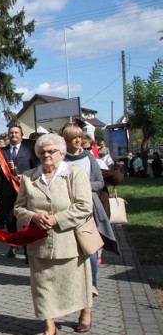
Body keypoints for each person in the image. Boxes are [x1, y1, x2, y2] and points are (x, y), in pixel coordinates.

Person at [14, 133, 94, 335]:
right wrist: (33, 217)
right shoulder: (29, 177)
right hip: (38, 244)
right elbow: (18, 208)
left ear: (61, 153)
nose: (46, 155)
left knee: (76, 282)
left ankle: (85, 312)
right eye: (41, 152)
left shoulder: (74, 174)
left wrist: (57, 218)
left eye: (51, 151)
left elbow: (84, 206)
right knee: (42, 287)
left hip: (69, 241)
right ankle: (49, 326)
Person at [61, 123, 119, 297]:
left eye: (80, 136)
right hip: (67, 208)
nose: (78, 140)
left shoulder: (88, 158)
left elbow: (100, 182)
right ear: (66, 140)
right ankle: (72, 282)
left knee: (90, 247)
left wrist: (83, 185)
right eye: (74, 137)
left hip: (89, 207)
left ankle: (92, 283)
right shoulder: (61, 160)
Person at [0, 125, 39, 258]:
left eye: (16, 132)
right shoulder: (2, 151)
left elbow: (37, 167)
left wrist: (24, 176)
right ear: (8, 135)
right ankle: (13, 245)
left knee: (26, 221)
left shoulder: (29, 149)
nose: (14, 135)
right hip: (8, 192)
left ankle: (27, 250)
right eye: (11, 133)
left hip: (25, 190)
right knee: (10, 221)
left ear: (21, 134)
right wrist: (5, 169)